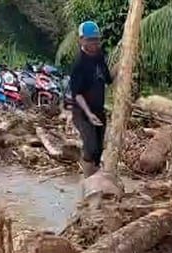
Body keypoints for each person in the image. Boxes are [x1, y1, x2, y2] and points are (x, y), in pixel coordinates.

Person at [69, 20, 112, 176]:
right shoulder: (79, 64)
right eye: (90, 40)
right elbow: (77, 94)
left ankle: (96, 179)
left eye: (96, 40)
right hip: (82, 112)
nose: (94, 44)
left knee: (99, 150)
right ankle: (88, 182)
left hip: (99, 110)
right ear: (81, 40)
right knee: (90, 147)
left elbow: (108, 79)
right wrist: (89, 114)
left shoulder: (100, 56)